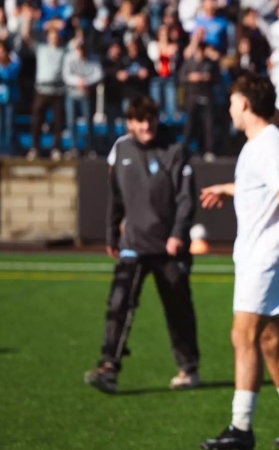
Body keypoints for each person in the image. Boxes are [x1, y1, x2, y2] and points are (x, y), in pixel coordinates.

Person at [199, 74, 279, 449]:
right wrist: (227, 189)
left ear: (245, 104)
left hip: (266, 257)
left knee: (243, 336)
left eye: (232, 102)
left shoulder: (269, 143)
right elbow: (264, 188)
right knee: (268, 340)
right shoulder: (261, 144)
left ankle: (240, 428)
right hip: (258, 254)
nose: (230, 109)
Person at [84, 97, 200, 394]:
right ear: (130, 123)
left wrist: (178, 234)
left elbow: (186, 199)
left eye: (150, 119)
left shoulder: (175, 149)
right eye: (139, 120)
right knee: (119, 303)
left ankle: (188, 368)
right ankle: (108, 367)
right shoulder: (121, 149)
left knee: (178, 309)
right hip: (133, 243)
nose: (146, 126)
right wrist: (112, 233)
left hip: (169, 247)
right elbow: (115, 197)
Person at [24, 21, 67, 160]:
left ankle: (56, 148)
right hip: (42, 90)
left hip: (58, 90)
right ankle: (35, 147)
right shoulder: (41, 49)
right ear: (47, 37)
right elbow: (26, 36)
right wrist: (28, 19)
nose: (54, 38)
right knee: (37, 120)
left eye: (56, 36)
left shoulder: (64, 50)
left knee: (58, 121)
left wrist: (70, 24)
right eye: (51, 36)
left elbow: (79, 41)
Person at [62, 39, 103, 156]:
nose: (81, 52)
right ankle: (73, 147)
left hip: (87, 94)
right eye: (79, 49)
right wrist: (78, 82)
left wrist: (86, 82)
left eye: (83, 49)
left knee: (89, 122)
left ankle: (90, 147)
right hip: (72, 94)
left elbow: (99, 74)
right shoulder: (69, 58)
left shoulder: (93, 59)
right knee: (71, 121)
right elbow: (66, 76)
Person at [180, 42, 218, 161]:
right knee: (190, 123)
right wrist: (190, 77)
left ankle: (209, 150)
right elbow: (181, 77)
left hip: (206, 95)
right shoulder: (188, 63)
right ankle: (185, 148)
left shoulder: (210, 64)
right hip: (192, 96)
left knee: (208, 124)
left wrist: (207, 77)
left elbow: (216, 77)